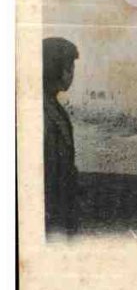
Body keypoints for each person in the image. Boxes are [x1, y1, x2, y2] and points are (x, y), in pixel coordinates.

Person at [42, 37, 80, 235]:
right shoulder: (41, 113)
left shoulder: (53, 106)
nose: (72, 74)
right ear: (54, 69)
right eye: (69, 68)